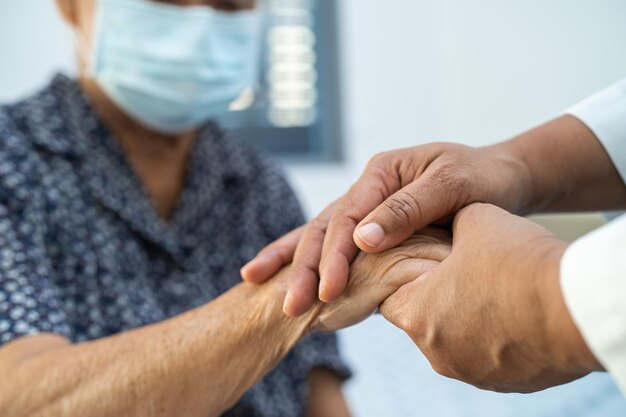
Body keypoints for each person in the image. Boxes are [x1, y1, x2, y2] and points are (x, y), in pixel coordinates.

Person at [0, 0, 452, 415]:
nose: (198, 25)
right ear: (71, 7)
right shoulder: (12, 158)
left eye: (229, 4)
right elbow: (23, 399)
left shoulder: (259, 181)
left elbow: (321, 393)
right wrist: (295, 291)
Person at [243, 77, 626, 393]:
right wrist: (516, 165)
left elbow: (318, 376)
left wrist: (551, 304)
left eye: (229, 4)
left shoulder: (258, 179)